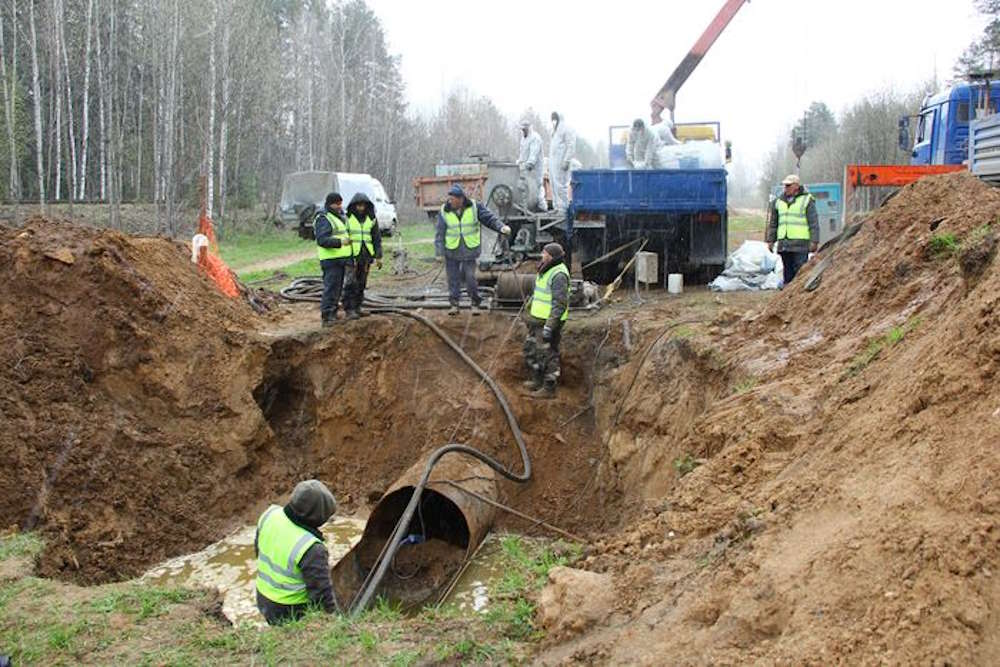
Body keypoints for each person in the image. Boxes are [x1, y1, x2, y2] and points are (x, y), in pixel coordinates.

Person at [255, 479, 340, 625]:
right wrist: (336, 621)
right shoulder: (311, 547)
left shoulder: (269, 514)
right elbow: (321, 595)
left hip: (263, 596)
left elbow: (258, 551)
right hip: (290, 608)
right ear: (317, 518)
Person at [435, 184, 511, 315]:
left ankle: (475, 302)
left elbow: (489, 219)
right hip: (451, 250)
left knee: (470, 278)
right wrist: (439, 251)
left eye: (453, 199)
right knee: (453, 279)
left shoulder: (475, 207)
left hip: (469, 250)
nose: (450, 201)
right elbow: (440, 233)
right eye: (450, 198)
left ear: (461, 199)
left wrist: (501, 227)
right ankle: (454, 305)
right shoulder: (444, 211)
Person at [523, 242, 570, 399]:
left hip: (549, 321)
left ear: (551, 256)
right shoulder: (545, 269)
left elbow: (559, 303)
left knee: (548, 353)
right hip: (537, 319)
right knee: (531, 348)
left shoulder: (559, 275)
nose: (541, 255)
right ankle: (537, 379)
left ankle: (549, 387)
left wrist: (550, 326)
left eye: (544, 253)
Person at [766, 174, 819, 286]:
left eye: (788, 185)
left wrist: (814, 241)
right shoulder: (778, 201)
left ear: (796, 186)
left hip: (800, 245)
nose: (785, 188)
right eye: (785, 186)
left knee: (800, 275)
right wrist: (771, 240)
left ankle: (799, 298)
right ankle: (788, 298)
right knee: (788, 275)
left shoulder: (807, 200)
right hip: (784, 245)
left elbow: (813, 222)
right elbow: (773, 223)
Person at [314, 192, 353, 326]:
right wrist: (341, 242)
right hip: (331, 260)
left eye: (340, 203)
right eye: (337, 204)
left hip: (340, 259)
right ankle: (327, 316)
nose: (340, 206)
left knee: (337, 289)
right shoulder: (324, 218)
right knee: (331, 288)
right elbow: (322, 240)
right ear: (331, 204)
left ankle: (333, 313)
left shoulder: (338, 216)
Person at [343, 192, 383, 319]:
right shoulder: (347, 219)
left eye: (363, 206)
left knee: (362, 283)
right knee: (350, 283)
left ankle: (358, 307)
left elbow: (376, 238)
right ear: (354, 206)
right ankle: (349, 309)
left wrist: (378, 256)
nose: (360, 208)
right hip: (351, 256)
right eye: (358, 206)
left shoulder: (371, 219)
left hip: (366, 256)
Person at [548, 111, 576, 214]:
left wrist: (566, 160)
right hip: (553, 162)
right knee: (554, 184)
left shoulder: (566, 129)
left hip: (561, 162)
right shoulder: (554, 131)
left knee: (560, 185)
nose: (553, 121)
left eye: (555, 118)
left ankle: (563, 208)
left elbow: (571, 145)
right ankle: (557, 207)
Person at [517, 118, 545, 210]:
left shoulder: (535, 138)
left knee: (537, 188)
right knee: (524, 188)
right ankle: (526, 208)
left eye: (524, 129)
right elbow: (523, 153)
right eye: (522, 130)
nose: (523, 131)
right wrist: (519, 162)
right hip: (525, 169)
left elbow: (534, 153)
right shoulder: (524, 139)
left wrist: (529, 163)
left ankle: (542, 208)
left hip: (534, 169)